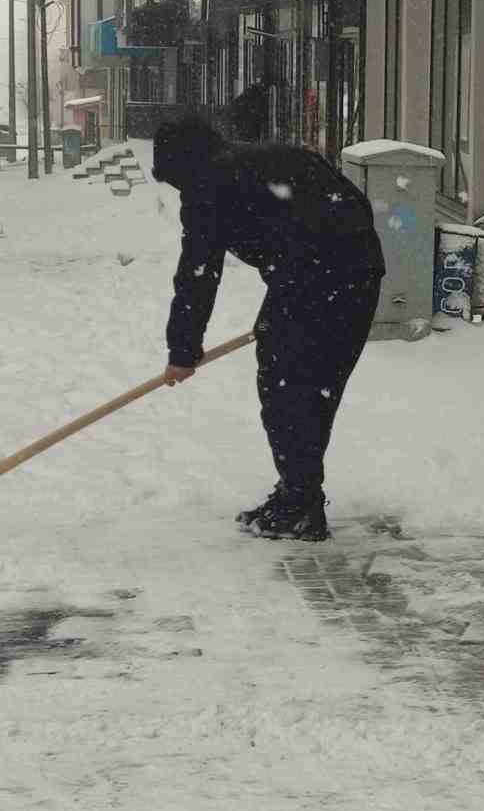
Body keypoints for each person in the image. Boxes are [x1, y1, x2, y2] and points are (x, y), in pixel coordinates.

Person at [152, 115, 385, 540]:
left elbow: (198, 273)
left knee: (287, 388)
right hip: (357, 274)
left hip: (317, 280)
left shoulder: (208, 183)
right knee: (312, 389)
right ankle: (297, 492)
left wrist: (182, 352)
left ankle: (300, 503)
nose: (179, 190)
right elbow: (349, 203)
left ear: (182, 165)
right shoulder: (264, 159)